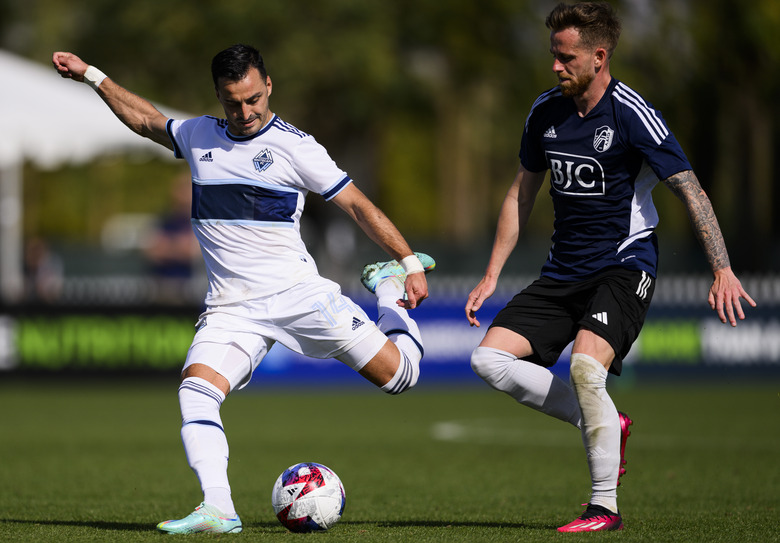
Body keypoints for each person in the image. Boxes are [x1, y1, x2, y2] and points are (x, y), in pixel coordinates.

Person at [53, 44, 435, 535]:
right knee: (195, 390)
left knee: (401, 378)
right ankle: (218, 508)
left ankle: (385, 288)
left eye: (254, 98)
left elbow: (359, 206)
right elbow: (147, 120)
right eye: (234, 102)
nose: (246, 111)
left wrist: (406, 261)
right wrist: (92, 75)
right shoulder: (197, 135)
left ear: (269, 85)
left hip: (300, 295)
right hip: (231, 307)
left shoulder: (297, 148)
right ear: (218, 95)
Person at [464, 1, 755, 533]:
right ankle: (600, 419)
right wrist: (491, 273)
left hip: (624, 266)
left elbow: (689, 189)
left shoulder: (632, 114)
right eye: (553, 55)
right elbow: (521, 193)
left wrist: (722, 267)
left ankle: (604, 507)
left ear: (599, 57)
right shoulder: (544, 112)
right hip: (562, 271)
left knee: (584, 367)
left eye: (566, 57)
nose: (556, 66)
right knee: (489, 361)